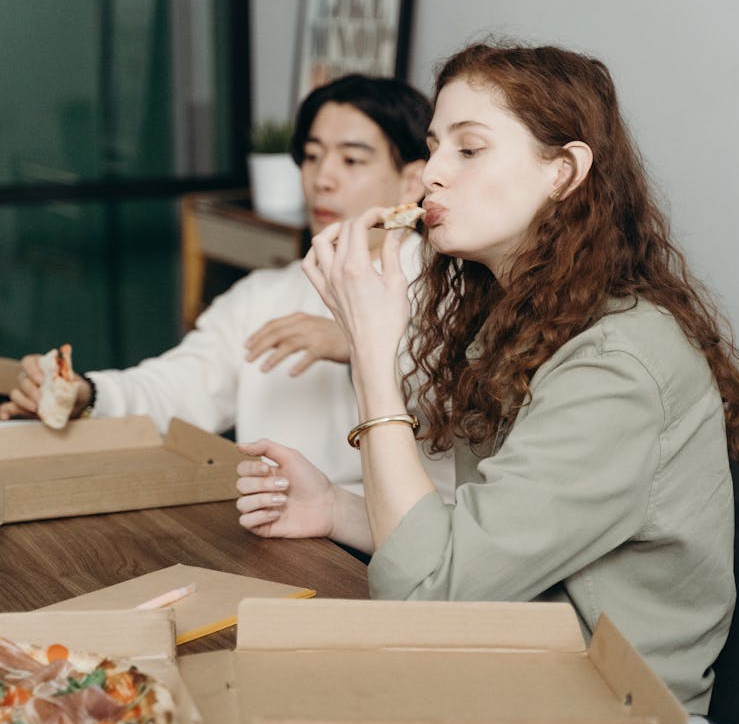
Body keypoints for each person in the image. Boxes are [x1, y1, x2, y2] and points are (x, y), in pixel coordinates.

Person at [235, 40, 739, 724]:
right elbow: (482, 545)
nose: (433, 171)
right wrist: (338, 512)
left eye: (469, 148)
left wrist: (371, 349)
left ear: (564, 171)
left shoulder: (615, 365)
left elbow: (426, 593)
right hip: (507, 671)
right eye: (435, 146)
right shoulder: (519, 326)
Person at [1, 74, 453, 496]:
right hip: (275, 517)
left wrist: (361, 345)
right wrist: (88, 392)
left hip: (388, 535)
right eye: (312, 156)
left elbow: (466, 412)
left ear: (412, 180)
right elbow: (182, 385)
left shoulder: (453, 289)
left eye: (351, 159)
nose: (322, 178)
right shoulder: (264, 293)